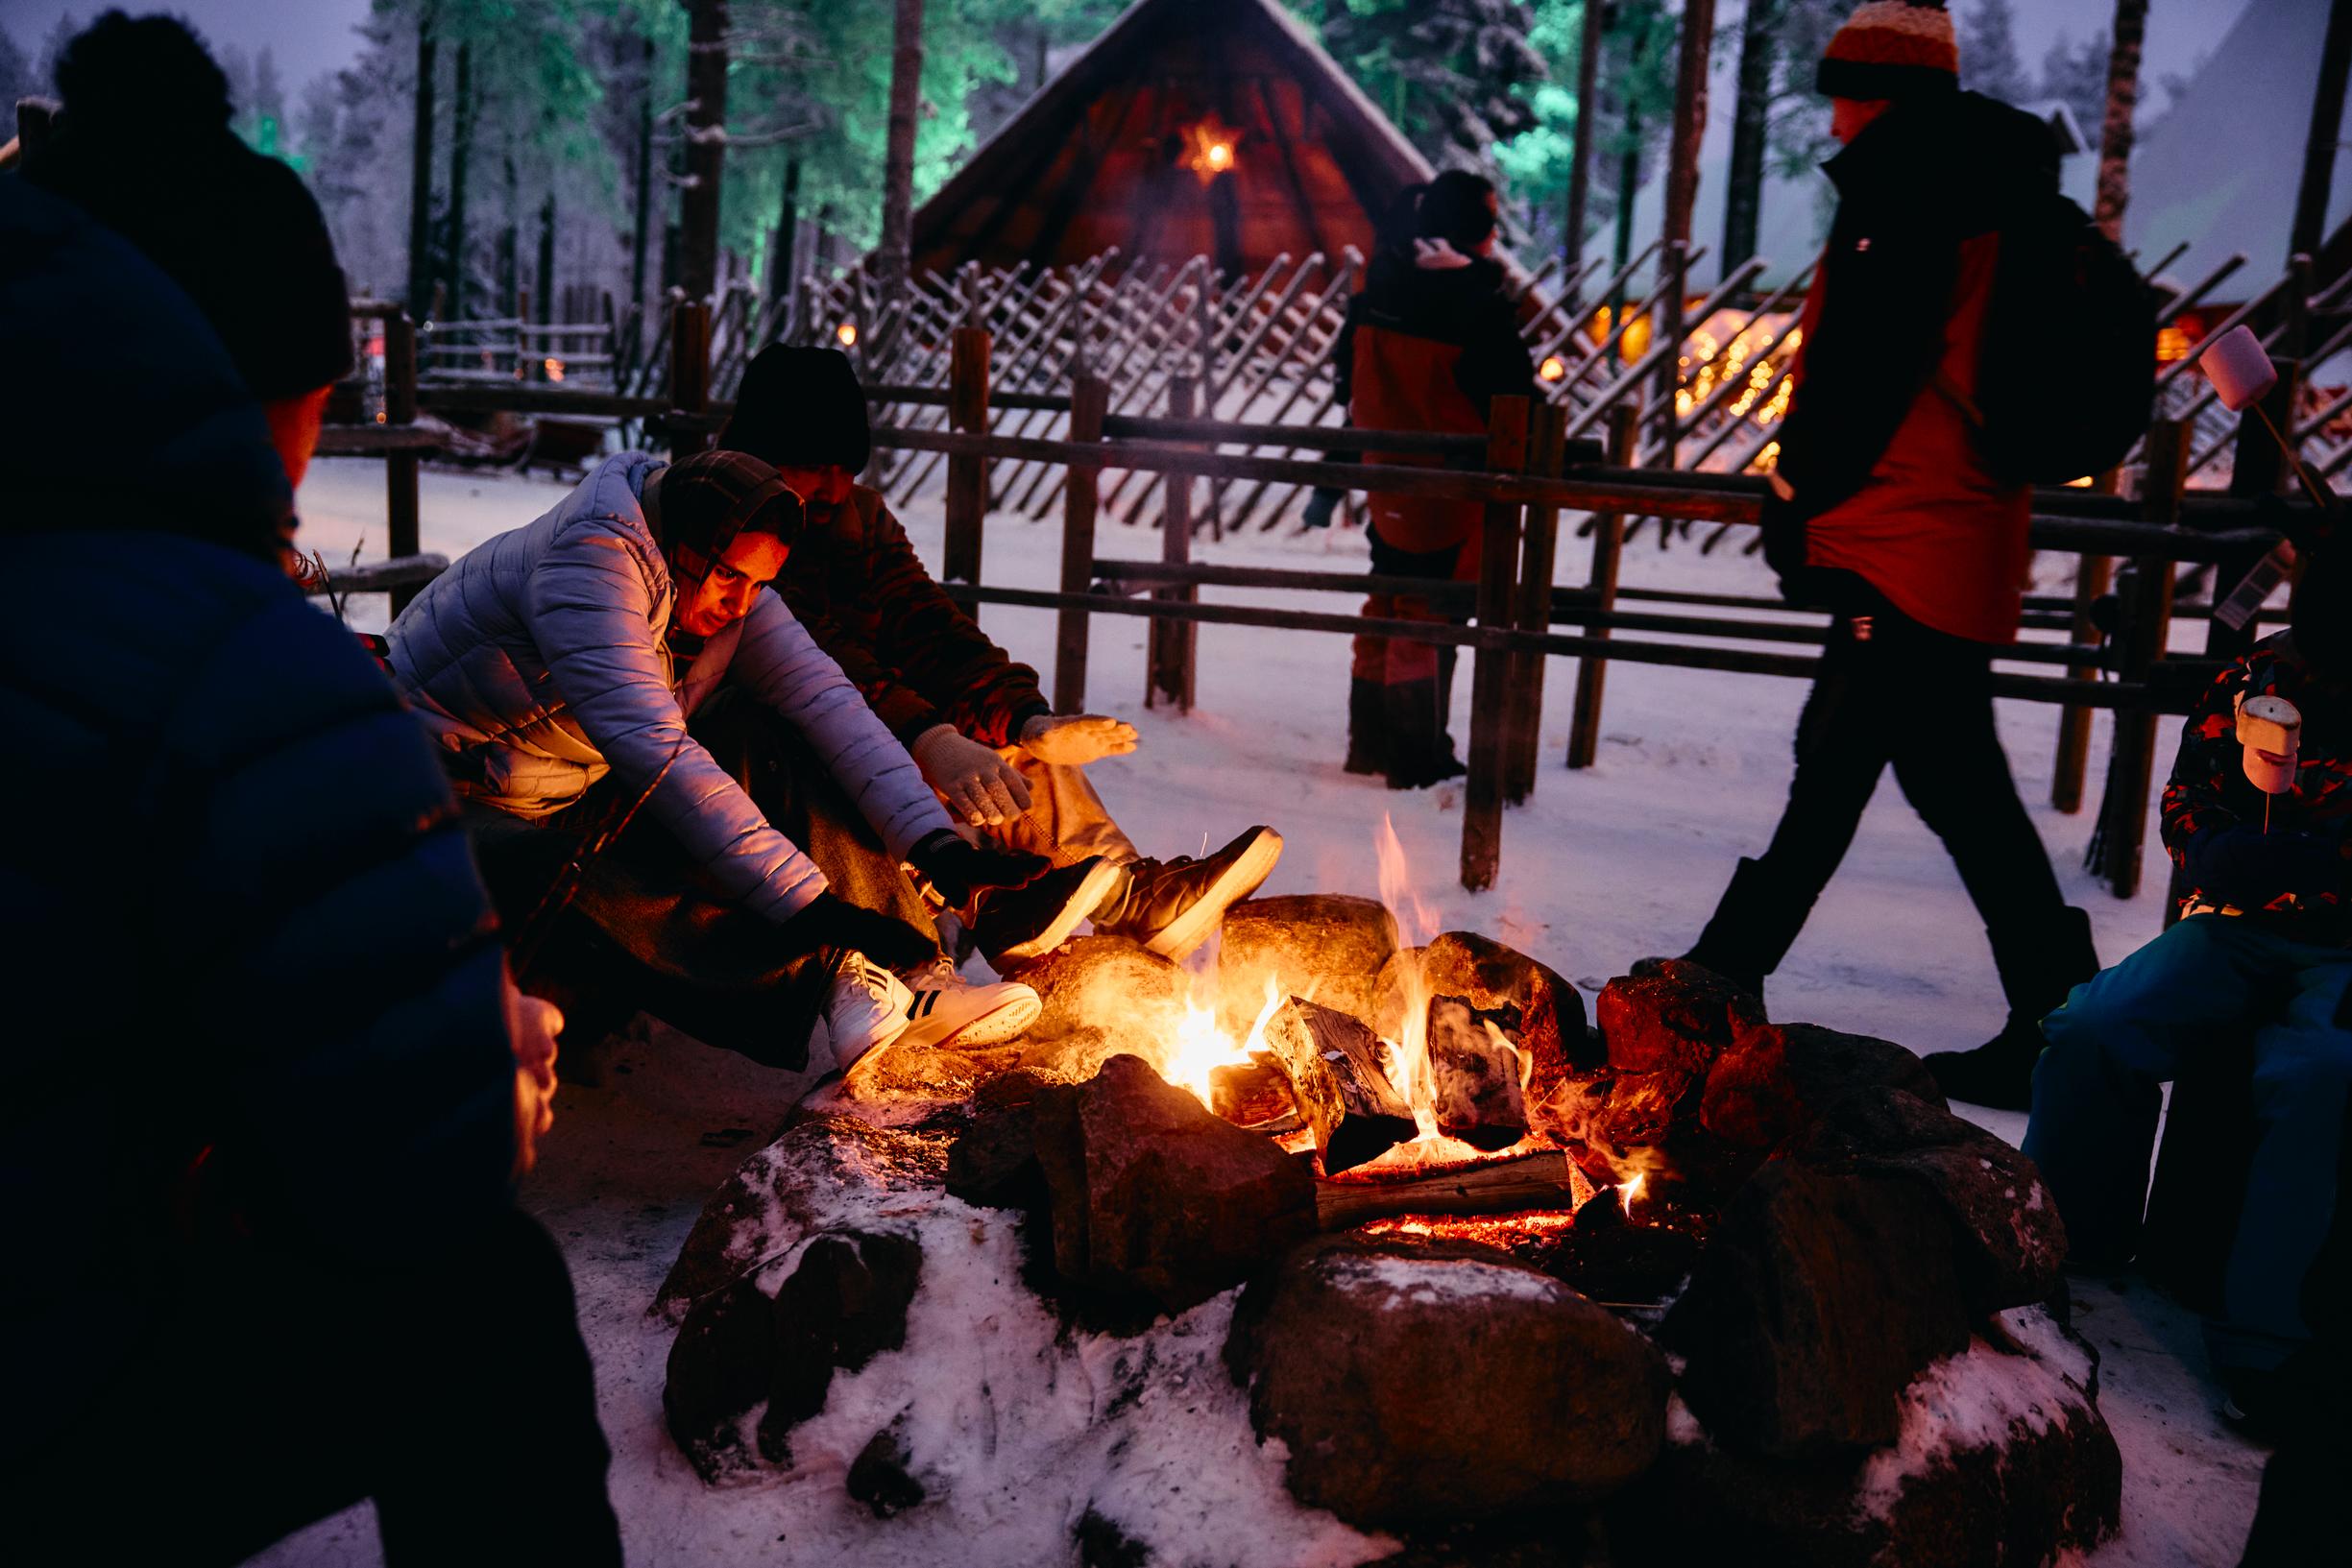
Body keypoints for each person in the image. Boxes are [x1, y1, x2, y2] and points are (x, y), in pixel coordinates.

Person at [2, 127, 618, 1568]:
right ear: (269, 389)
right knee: (480, 1301)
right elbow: (408, 1174)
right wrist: (489, 1063)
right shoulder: (240, 666)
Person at [1672, 0, 2096, 1110]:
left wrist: (1793, 497)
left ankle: (1715, 988)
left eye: (1847, 90)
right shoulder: (2000, 188)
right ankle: (2058, 1017)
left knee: (1872, 769)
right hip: (1955, 529)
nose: (1838, 114)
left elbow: (1858, 377)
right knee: (1927, 776)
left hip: (1897, 529)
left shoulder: (1906, 188)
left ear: (1882, 91)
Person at [386, 444, 1052, 1072]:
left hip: (560, 785)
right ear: (683, 545)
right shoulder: (588, 566)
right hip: (441, 793)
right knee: (572, 870)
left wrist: (936, 845)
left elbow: (827, 702)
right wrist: (815, 910)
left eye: (759, 583)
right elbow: (659, 753)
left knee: (759, 729)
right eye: (730, 576)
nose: (740, 602)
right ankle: (825, 979)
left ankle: (918, 974)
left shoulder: (724, 579)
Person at [717, 346, 1284, 967]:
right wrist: (929, 737)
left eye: (843, 466)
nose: (831, 487)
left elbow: (929, 628)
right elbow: (819, 662)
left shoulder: (861, 519)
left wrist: (1023, 718)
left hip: (874, 720)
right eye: (809, 465)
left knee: (1011, 748)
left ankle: (1124, 893)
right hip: (765, 749)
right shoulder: (724, 519)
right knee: (953, 755)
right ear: (760, 453)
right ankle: (1017, 904)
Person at [2025, 547, 2351, 1424]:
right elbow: (2188, 793)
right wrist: (2208, 848)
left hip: (2346, 945)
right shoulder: (2264, 674)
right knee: (2097, 1021)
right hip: (2240, 923)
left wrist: (2330, 865)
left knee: (2319, 1074)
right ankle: (2062, 1240)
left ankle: (2265, 1343)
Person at [1330, 169, 1535, 789]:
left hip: (1384, 476)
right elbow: (1513, 396)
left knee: (1386, 598)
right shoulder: (1475, 304)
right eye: (1488, 221)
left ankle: (1369, 741)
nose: (1494, 234)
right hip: (1453, 488)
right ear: (1468, 229)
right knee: (1429, 613)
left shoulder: (1376, 288)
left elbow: (1343, 378)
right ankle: (1416, 755)